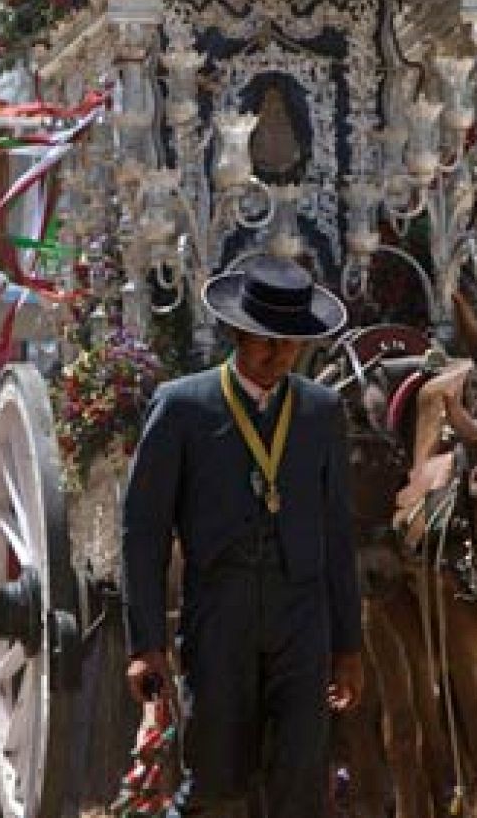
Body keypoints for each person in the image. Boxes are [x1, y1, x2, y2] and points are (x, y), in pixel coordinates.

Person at [122, 256, 363, 817]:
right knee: (215, 775)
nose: (278, 354)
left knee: (301, 775)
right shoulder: (182, 406)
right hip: (219, 612)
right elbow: (144, 532)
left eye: (291, 344)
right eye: (265, 341)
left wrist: (347, 645)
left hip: (302, 617)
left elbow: (337, 536)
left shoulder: (321, 411)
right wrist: (146, 644)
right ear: (236, 331)